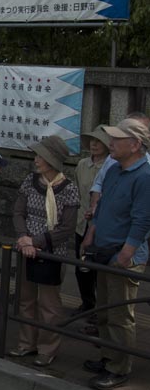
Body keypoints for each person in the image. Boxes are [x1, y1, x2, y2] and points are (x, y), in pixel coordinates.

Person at [82, 119, 150, 390]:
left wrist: (128, 253)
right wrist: (90, 234)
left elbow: (143, 219)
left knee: (120, 314)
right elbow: (102, 207)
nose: (111, 143)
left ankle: (120, 367)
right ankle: (109, 356)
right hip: (103, 249)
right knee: (104, 309)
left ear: (135, 144)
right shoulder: (114, 170)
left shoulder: (144, 176)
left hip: (123, 255)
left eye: (117, 139)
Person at [9, 136, 80, 367]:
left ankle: (47, 348)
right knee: (25, 299)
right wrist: (23, 238)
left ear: (52, 159)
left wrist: (36, 241)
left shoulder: (69, 189)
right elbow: (18, 212)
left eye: (41, 155)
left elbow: (67, 228)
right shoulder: (30, 181)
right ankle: (25, 343)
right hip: (26, 248)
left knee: (49, 305)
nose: (36, 159)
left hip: (52, 252)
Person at [73, 127, 110, 322]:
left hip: (100, 224)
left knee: (97, 268)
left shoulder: (111, 165)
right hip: (81, 221)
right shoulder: (82, 164)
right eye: (91, 140)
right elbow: (78, 190)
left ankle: (100, 309)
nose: (94, 144)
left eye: (99, 141)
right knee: (80, 266)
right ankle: (86, 303)